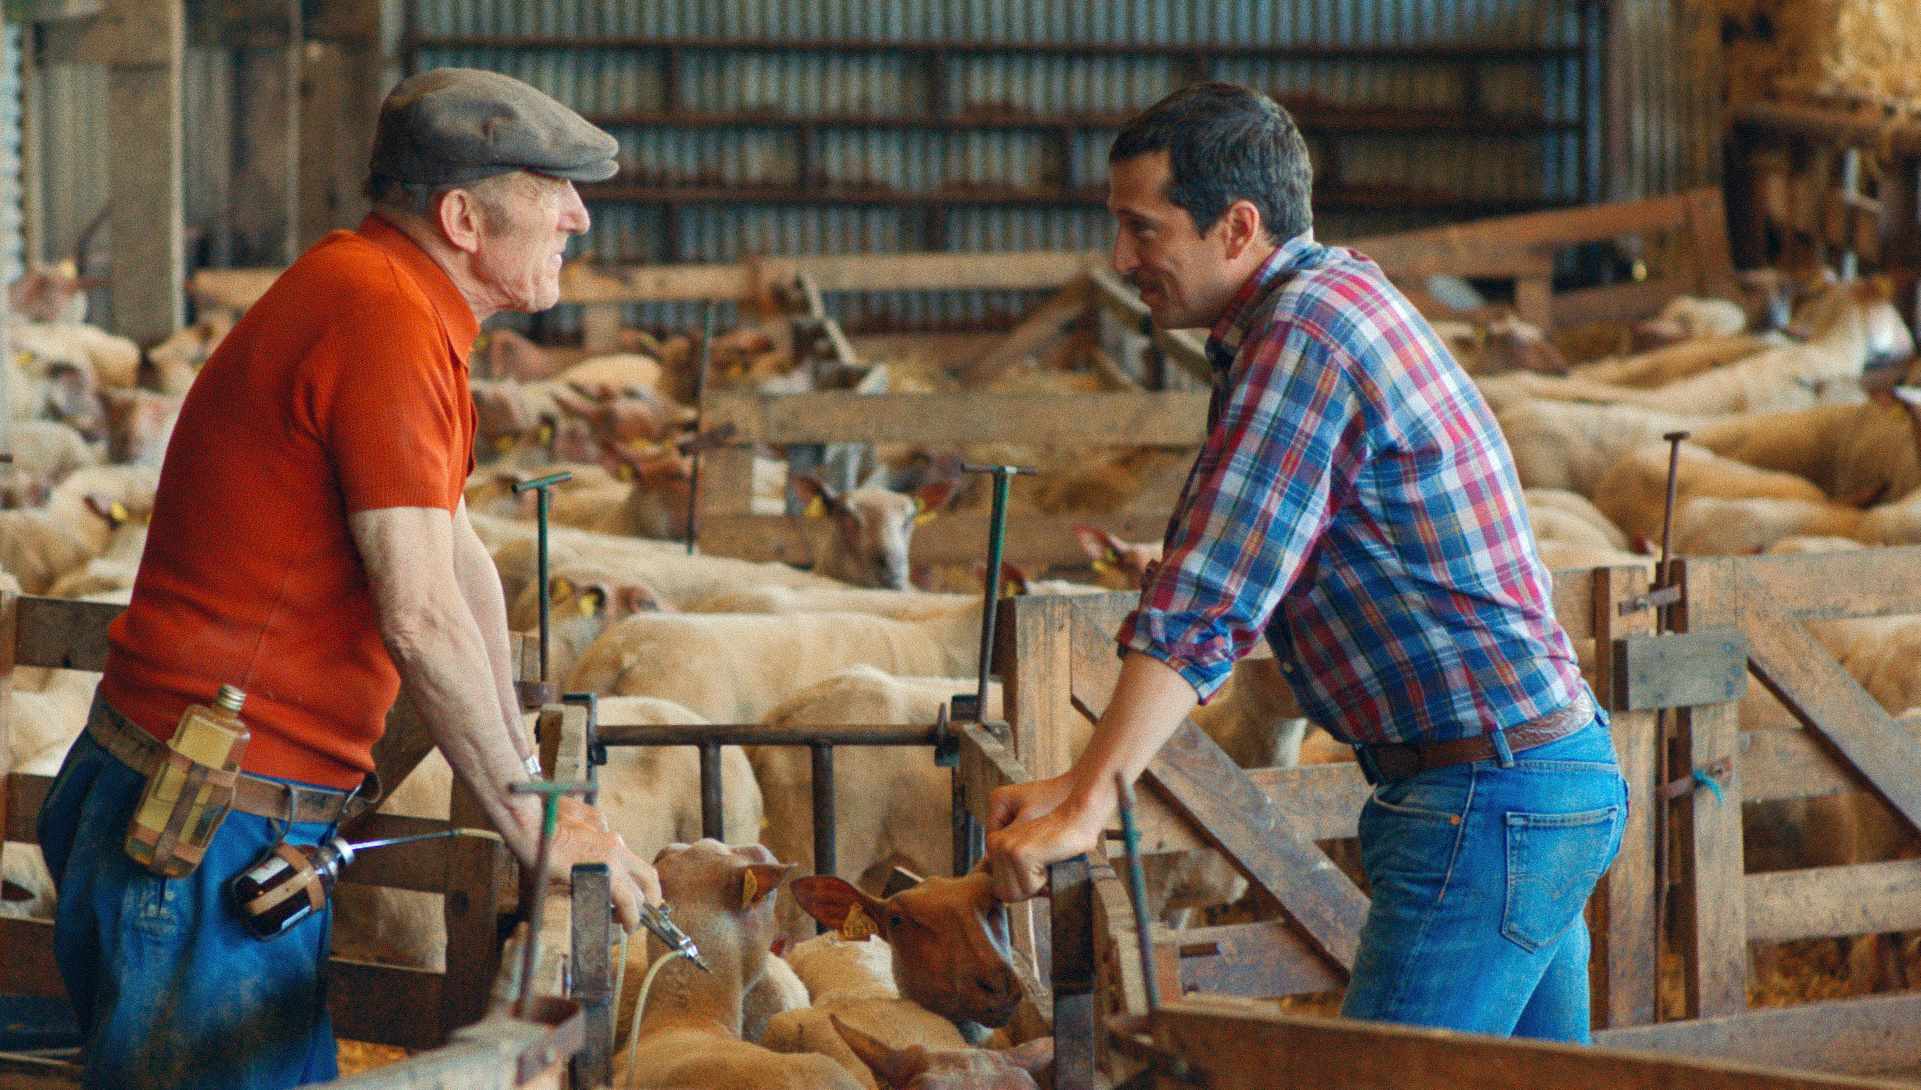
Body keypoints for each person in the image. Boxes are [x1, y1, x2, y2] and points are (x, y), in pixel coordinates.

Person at [35, 68, 660, 1089]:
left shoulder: (387, 297)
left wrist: (552, 806)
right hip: (203, 833)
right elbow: (415, 613)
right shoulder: (382, 319)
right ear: (462, 216)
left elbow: (456, 561)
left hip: (211, 813)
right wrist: (532, 824)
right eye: (554, 189)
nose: (578, 216)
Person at [985, 82, 1628, 1043]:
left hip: (1487, 799)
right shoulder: (1321, 305)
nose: (1120, 261)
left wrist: (1087, 803)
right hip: (1525, 780)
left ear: (1236, 226)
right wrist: (1085, 782)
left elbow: (1209, 591)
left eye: (1142, 230)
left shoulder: (1305, 336)